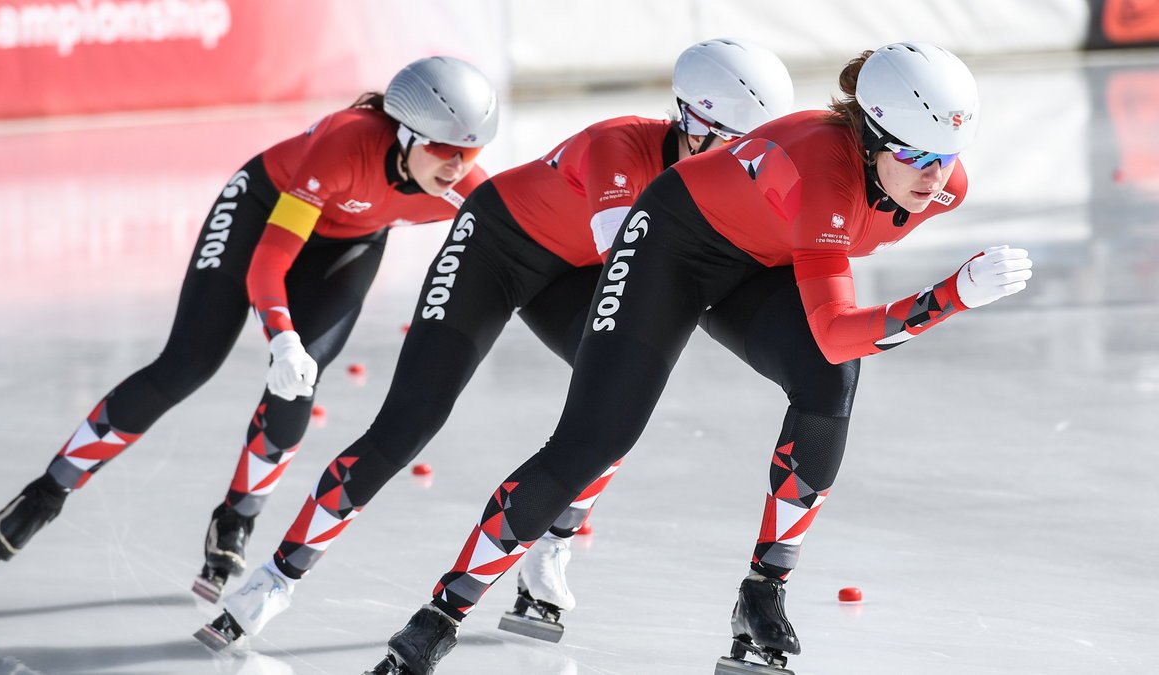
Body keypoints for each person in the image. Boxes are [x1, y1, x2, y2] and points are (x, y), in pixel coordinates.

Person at [363, 42, 1035, 675]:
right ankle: (437, 618)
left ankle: (762, 593)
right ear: (870, 137)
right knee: (597, 437)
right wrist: (951, 295)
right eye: (918, 156)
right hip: (672, 248)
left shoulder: (947, 184)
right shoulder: (825, 173)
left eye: (948, 155)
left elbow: (829, 340)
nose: (936, 176)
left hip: (763, 256)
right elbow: (836, 327)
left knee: (828, 387)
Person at [192, 38, 795, 651]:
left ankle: (547, 553)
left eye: (752, 151)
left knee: (617, 408)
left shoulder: (730, 168)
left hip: (575, 272)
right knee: (408, 424)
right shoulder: (621, 145)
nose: (736, 160)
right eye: (722, 138)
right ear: (689, 119)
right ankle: (277, 577)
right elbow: (632, 265)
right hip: (496, 251)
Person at [0, 56, 499, 596]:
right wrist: (282, 336)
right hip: (265, 208)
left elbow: (524, 250)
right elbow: (269, 261)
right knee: (187, 364)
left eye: (469, 153)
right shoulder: (347, 142)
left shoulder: (466, 189)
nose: (456, 166)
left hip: (351, 240)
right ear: (406, 134)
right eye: (442, 149)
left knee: (300, 380)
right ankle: (47, 492)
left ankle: (237, 519)